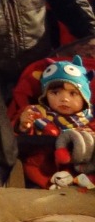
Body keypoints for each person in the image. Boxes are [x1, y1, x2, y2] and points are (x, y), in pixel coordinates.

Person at [14, 59, 95, 190]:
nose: (64, 99)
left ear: (84, 98)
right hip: (45, 171)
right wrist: (24, 126)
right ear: (45, 95)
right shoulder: (37, 113)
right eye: (55, 93)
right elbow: (16, 141)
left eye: (73, 93)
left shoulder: (91, 118)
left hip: (83, 170)